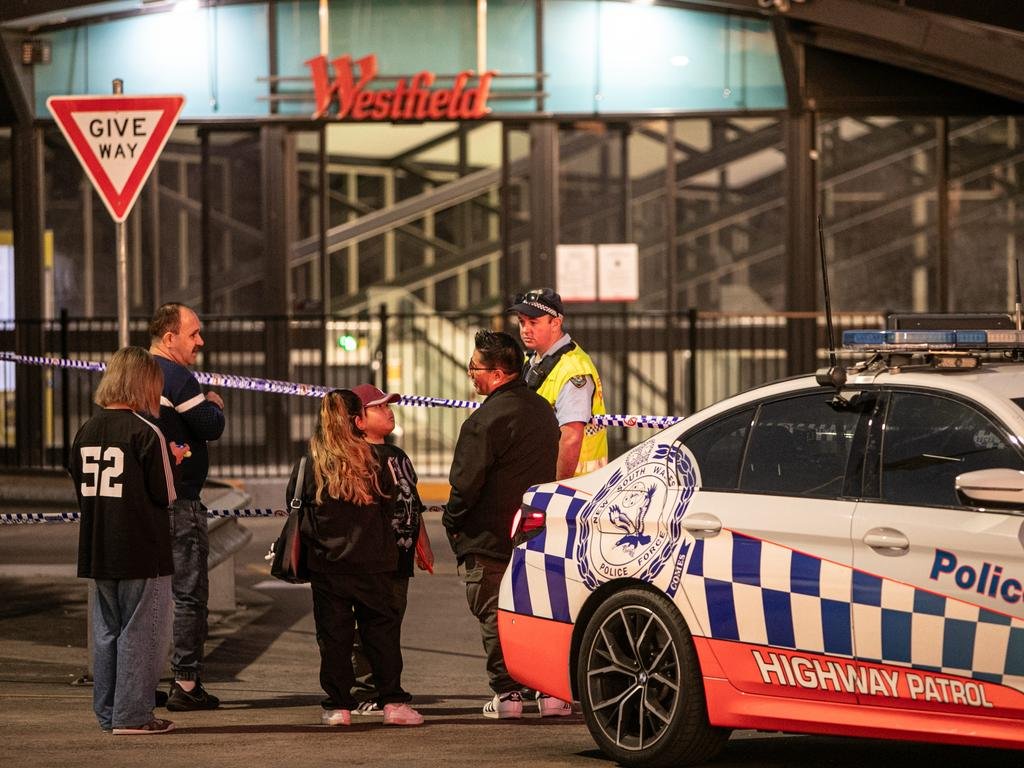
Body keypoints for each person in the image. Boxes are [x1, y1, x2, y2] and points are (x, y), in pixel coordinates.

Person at [442, 330, 561, 719]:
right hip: (535, 530)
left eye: (474, 367)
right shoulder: (544, 412)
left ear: (496, 373)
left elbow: (465, 486)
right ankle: (550, 693)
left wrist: (452, 522)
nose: (470, 373)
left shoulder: (483, 421)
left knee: (494, 612)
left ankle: (508, 694)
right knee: (538, 612)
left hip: (488, 535)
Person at [289, 388, 424, 727]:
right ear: (358, 420)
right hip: (375, 561)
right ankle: (392, 702)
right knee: (381, 634)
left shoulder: (312, 462)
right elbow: (397, 506)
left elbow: (295, 504)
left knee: (334, 637)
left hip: (327, 564)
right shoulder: (378, 459)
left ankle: (338, 706)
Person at [71, 346, 176, 735]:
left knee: (107, 633)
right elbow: (165, 494)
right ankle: (133, 716)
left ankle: (109, 712)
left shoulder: (85, 431)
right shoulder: (146, 432)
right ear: (143, 383)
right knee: (142, 633)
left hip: (99, 548)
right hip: (142, 549)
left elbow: (81, 491)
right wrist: (175, 461)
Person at [148, 303, 225, 711]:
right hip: (180, 501)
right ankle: (187, 683)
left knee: (143, 598)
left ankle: (139, 681)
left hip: (142, 504)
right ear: (169, 338)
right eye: (193, 334)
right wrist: (214, 404)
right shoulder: (176, 376)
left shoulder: (134, 375)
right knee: (189, 595)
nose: (200, 341)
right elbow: (210, 426)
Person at [348, 383, 434, 716]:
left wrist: (422, 542)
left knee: (391, 621)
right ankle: (366, 688)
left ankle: (387, 686)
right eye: (379, 407)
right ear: (359, 420)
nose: (388, 412)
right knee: (369, 625)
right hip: (371, 559)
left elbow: (413, 502)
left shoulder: (398, 456)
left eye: (389, 405)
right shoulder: (356, 458)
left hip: (400, 558)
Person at [507, 287, 608, 480]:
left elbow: (571, 438)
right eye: (521, 322)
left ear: (555, 323)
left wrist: (557, 488)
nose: (525, 329)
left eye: (533, 322)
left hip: (576, 484)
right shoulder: (534, 360)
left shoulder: (573, 369)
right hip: (545, 477)